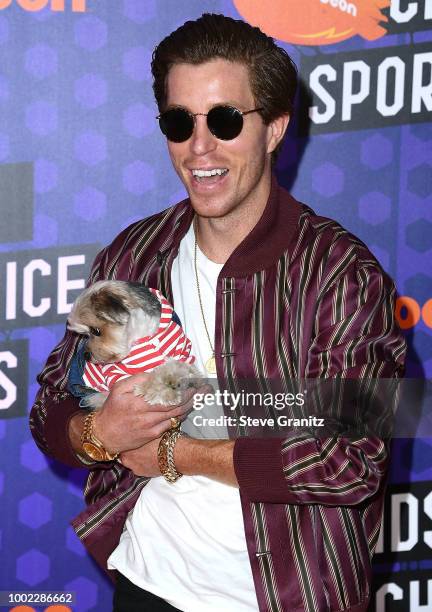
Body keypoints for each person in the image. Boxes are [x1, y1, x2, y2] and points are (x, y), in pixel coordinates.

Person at [30, 13, 406, 612]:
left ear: (275, 128)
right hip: (147, 582)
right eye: (180, 123)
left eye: (226, 121)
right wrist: (100, 434)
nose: (200, 147)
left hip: (288, 596)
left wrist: (182, 454)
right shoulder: (135, 253)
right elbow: (52, 406)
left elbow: (350, 459)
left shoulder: (341, 276)